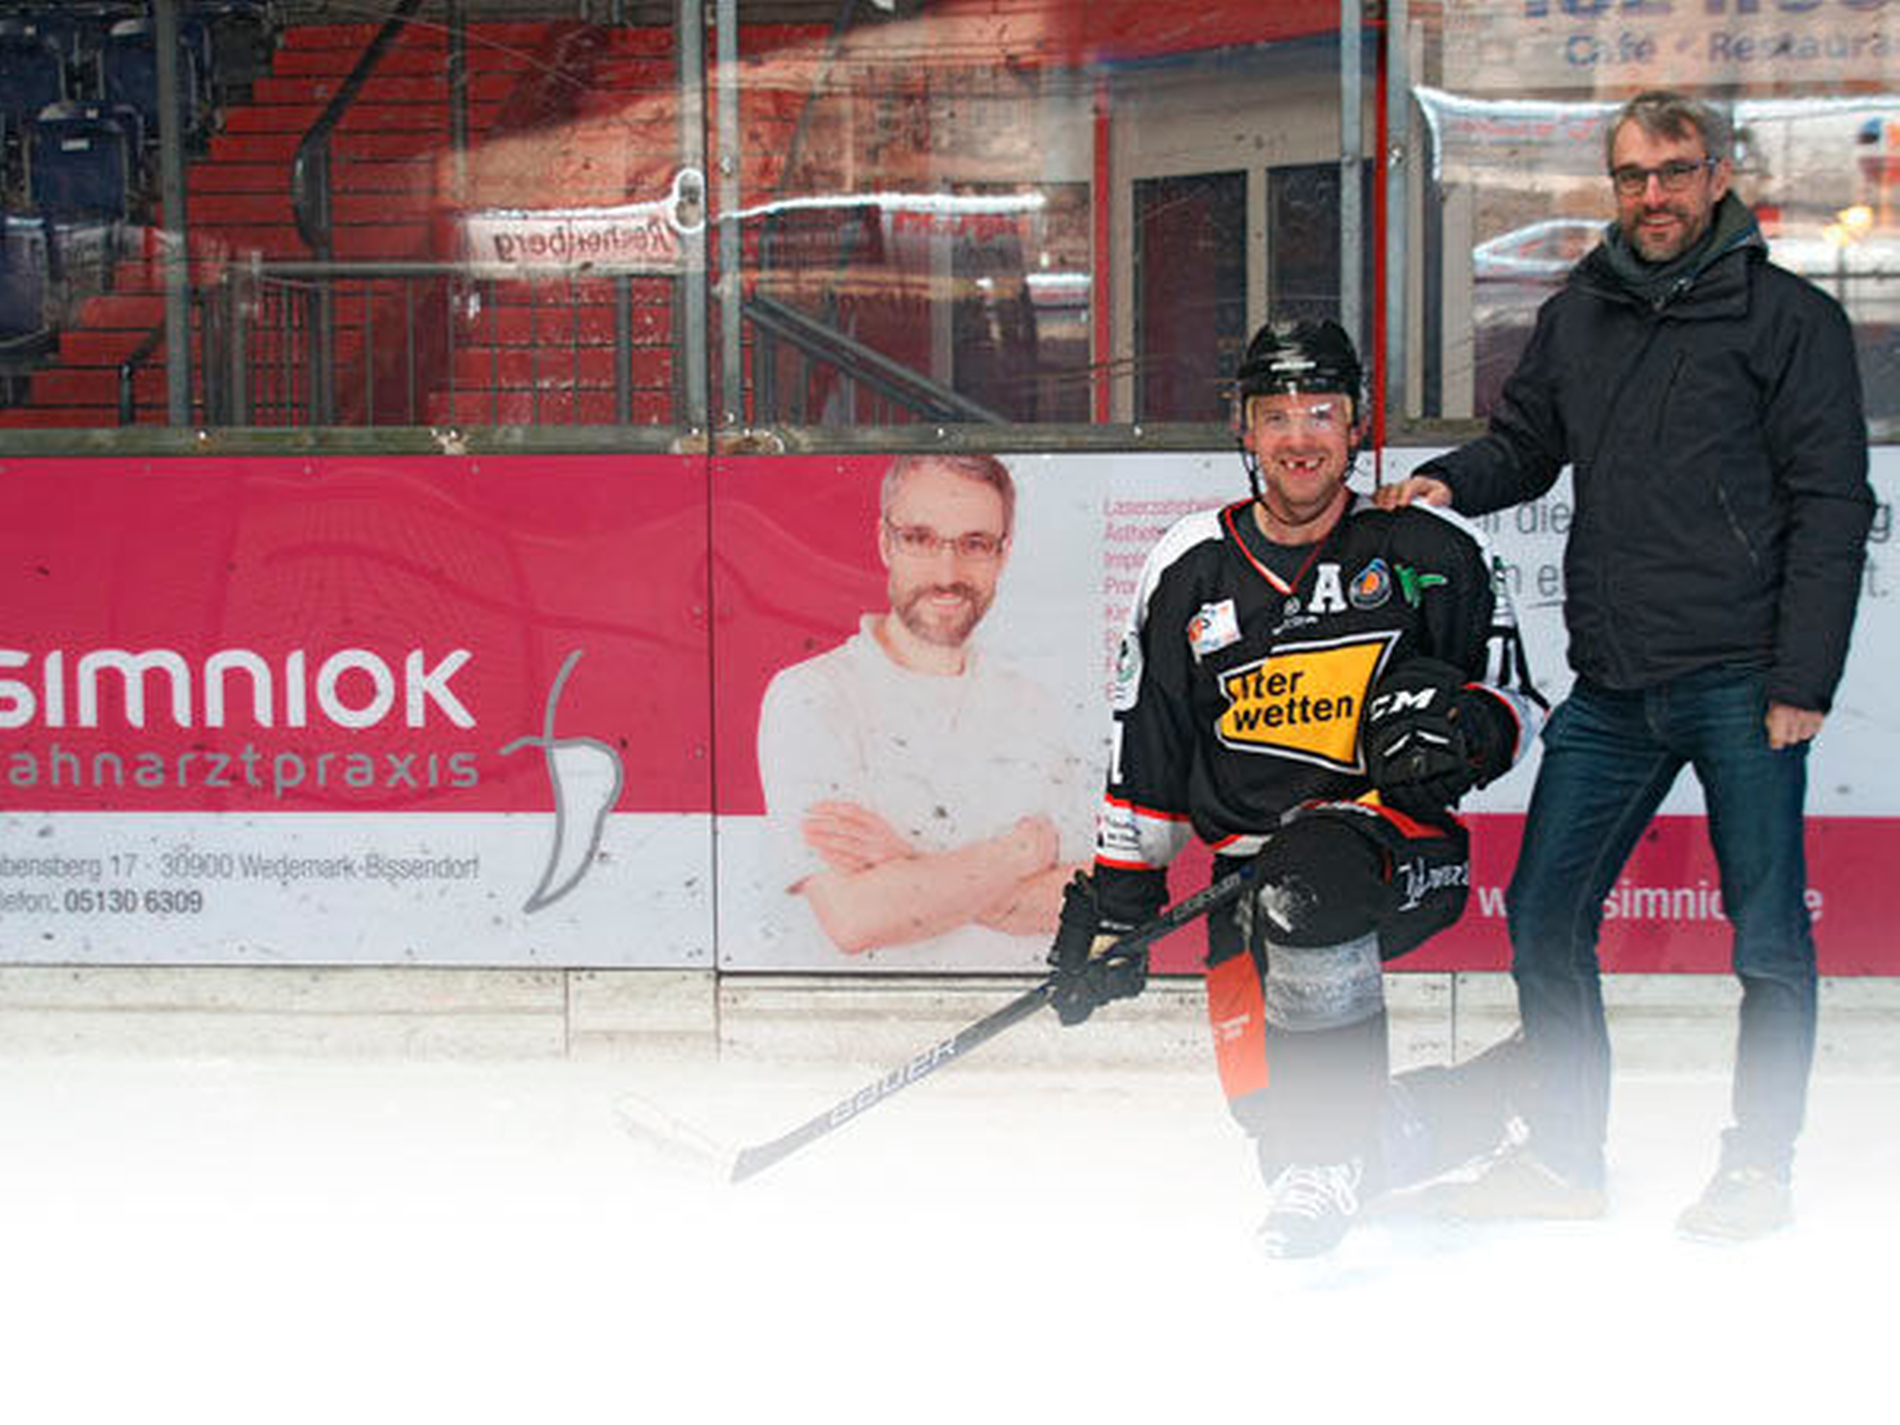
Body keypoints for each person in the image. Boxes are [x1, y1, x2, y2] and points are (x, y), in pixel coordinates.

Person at [1375, 90, 1876, 1242]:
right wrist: (1447, 480)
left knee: (1767, 941)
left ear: (1717, 176)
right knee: (1545, 916)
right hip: (1613, 688)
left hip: (1746, 681)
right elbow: (1529, 445)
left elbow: (1831, 507)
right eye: (1631, 177)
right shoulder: (1580, 314)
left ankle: (1758, 1167)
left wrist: (1803, 680)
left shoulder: (1786, 320)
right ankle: (1563, 1160)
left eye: (1673, 171)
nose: (1651, 195)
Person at [1048, 317, 1546, 1259]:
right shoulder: (1190, 564)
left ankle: (1328, 1155)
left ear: (1358, 425)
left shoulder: (1429, 547)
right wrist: (1117, 907)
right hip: (1245, 878)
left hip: (1394, 851)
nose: (1299, 435)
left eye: (1322, 411)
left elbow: (1521, 705)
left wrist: (1461, 732)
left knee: (1308, 877)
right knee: (1275, 1125)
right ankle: (1495, 1094)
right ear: (1244, 430)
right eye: (1275, 414)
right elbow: (1145, 749)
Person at [756, 452, 1089, 965]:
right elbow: (856, 918)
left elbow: (1086, 903)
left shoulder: (1036, 707)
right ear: (885, 542)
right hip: (875, 1028)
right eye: (920, 539)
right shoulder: (812, 697)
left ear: (1003, 555)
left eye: (975, 544)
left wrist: (909, 861)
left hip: (1029, 1024)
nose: (947, 573)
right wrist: (1017, 855)